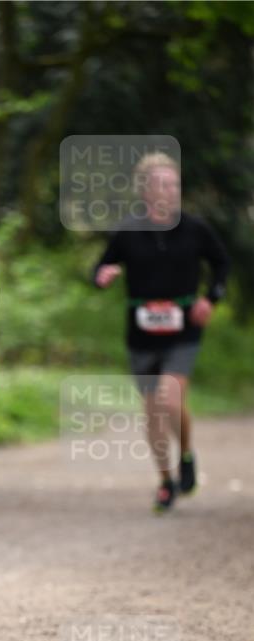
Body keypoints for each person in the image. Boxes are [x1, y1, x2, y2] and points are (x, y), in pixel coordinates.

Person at [94, 153, 229, 512]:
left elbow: (221, 264)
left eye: (174, 184)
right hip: (141, 332)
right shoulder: (128, 231)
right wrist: (103, 276)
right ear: (146, 190)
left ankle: (186, 455)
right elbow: (101, 266)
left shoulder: (195, 229)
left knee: (170, 398)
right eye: (162, 184)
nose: (170, 191)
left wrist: (210, 299)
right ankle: (166, 480)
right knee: (153, 411)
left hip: (183, 329)